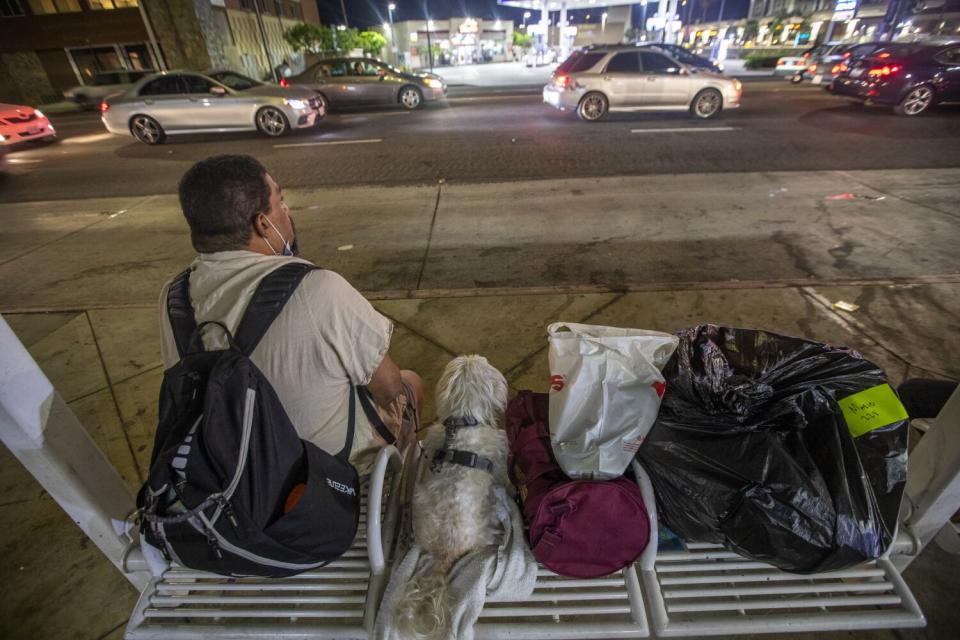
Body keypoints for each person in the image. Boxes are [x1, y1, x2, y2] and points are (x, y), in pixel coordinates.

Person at [159, 155, 422, 474]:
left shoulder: (174, 298)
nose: (286, 210)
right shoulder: (318, 288)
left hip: (229, 473)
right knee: (410, 382)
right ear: (262, 223)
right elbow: (389, 387)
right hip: (320, 477)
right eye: (280, 201)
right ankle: (404, 482)